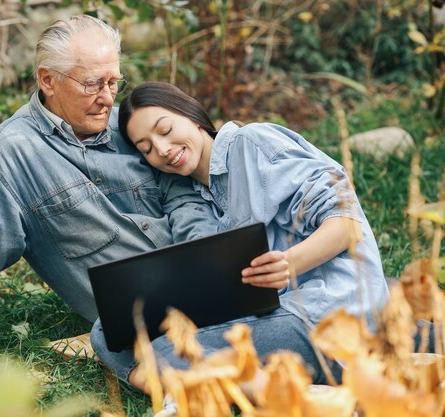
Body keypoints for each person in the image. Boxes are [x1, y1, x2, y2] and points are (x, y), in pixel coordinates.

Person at [0, 18, 219, 364]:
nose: (107, 98)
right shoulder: (9, 157)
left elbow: (183, 192)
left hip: (213, 278)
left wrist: (203, 251)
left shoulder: (131, 128)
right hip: (148, 320)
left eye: (113, 82)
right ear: (47, 80)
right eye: (92, 84)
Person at [96, 81, 391, 387]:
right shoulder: (197, 195)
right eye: (147, 149)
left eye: (166, 129)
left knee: (165, 349)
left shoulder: (253, 143)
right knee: (106, 333)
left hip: (326, 315)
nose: (162, 149)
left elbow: (347, 221)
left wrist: (291, 262)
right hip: (270, 315)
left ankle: (205, 388)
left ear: (191, 114)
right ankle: (227, 386)